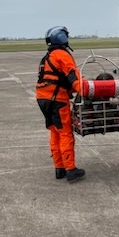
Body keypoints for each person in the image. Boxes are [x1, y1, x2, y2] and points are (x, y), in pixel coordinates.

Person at [35, 26, 86, 183]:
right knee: (65, 133)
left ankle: (59, 168)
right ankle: (70, 169)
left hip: (43, 99)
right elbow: (73, 78)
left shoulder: (47, 57)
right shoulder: (62, 55)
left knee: (55, 133)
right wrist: (87, 92)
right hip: (57, 100)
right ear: (63, 38)